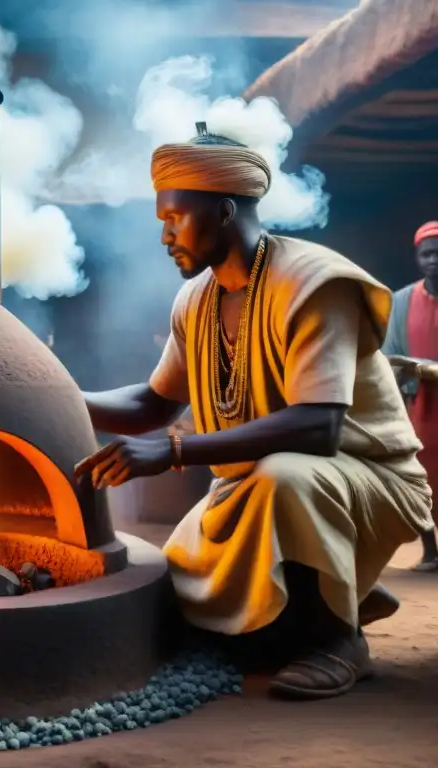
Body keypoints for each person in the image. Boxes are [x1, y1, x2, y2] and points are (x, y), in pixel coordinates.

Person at [74, 124, 433, 701]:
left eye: (175, 218)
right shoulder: (196, 299)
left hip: (368, 479)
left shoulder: (314, 283)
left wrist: (172, 451)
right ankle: (315, 613)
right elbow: (153, 402)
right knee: (182, 596)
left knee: (282, 478)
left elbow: (320, 426)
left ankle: (340, 641)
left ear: (221, 211)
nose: (165, 235)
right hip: (252, 485)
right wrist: (56, 393)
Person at [381, 221, 438, 571]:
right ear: (418, 258)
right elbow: (390, 354)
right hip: (420, 405)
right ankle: (431, 551)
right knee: (421, 478)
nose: (433, 261)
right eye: (427, 254)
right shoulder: (402, 301)